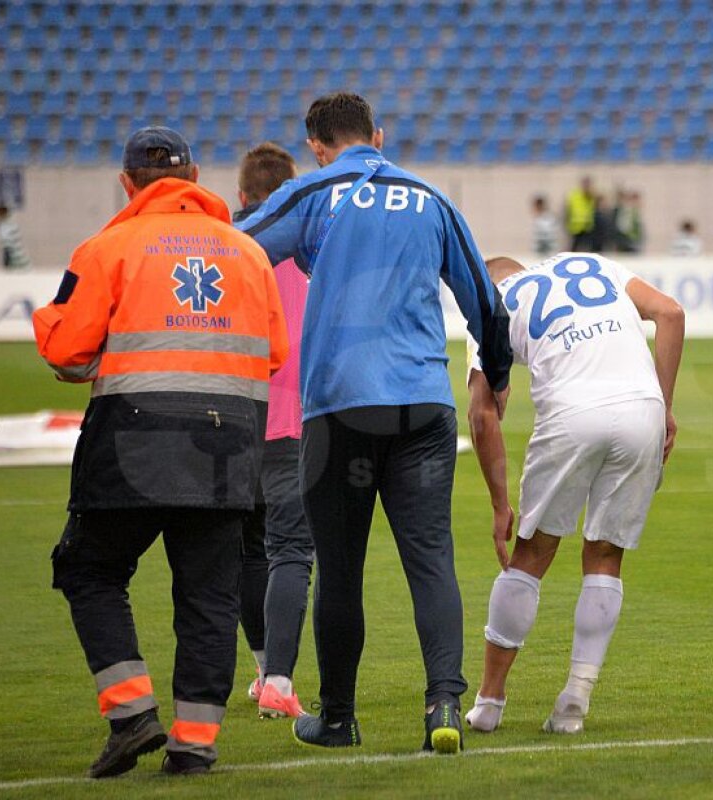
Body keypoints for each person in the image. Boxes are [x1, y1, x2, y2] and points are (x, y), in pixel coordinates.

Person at [236, 92, 513, 754]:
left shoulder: (315, 192)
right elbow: (485, 302)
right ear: (379, 135)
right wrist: (497, 376)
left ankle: (338, 717)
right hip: (422, 404)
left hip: (340, 408)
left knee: (339, 569)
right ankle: (443, 704)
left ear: (316, 144)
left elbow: (237, 250)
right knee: (431, 559)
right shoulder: (430, 198)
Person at [33, 126, 288, 777]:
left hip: (132, 439)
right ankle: (194, 744)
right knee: (208, 597)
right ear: (195, 176)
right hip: (228, 443)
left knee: (88, 568)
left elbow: (66, 349)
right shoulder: (247, 253)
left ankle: (130, 713)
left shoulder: (108, 247)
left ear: (127, 182)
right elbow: (277, 352)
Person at [462, 253, 684, 735]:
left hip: (572, 411)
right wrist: (664, 408)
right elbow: (671, 313)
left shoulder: (492, 301)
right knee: (605, 554)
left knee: (531, 555)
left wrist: (500, 505)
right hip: (641, 405)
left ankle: (489, 702)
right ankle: (574, 704)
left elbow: (482, 414)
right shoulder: (590, 262)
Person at [232, 142, 313, 718]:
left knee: (244, 550)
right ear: (292, 189)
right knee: (290, 552)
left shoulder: (216, 249)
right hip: (291, 422)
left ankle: (262, 668)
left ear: (241, 196)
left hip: (225, 425)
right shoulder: (309, 248)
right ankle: (278, 682)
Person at [565, 176, 597, 251]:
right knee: (574, 248)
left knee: (588, 248)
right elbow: (568, 209)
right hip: (576, 226)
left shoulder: (591, 195)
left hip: (587, 226)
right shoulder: (574, 195)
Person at [0, 204, 31, 269]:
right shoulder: (11, 223)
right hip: (19, 259)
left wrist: (6, 264)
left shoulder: (5, 226)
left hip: (15, 260)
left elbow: (7, 247)